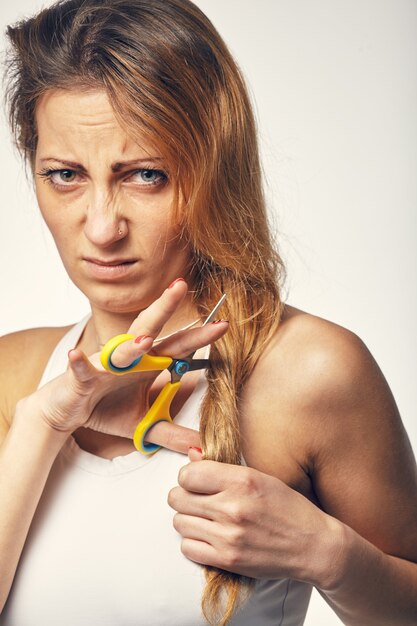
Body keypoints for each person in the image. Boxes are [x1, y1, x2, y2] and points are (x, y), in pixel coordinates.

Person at [0, 0, 416, 624]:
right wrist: (43, 423)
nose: (102, 227)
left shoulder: (311, 371)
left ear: (213, 171)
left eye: (145, 175)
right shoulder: (13, 372)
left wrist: (333, 555)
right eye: (65, 175)